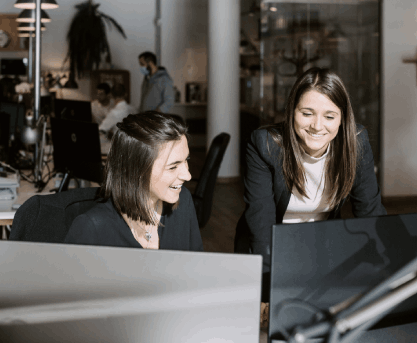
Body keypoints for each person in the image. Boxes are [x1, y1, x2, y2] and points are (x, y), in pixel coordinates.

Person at [234, 67, 386, 302]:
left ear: (342, 118)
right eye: (307, 113)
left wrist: (390, 268)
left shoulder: (356, 142)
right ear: (292, 111)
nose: (317, 126)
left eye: (329, 116)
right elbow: (261, 221)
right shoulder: (265, 144)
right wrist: (265, 292)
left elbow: (371, 212)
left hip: (321, 247)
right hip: (267, 249)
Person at [65, 111, 203, 251]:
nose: (188, 176)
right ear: (137, 170)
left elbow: (196, 268)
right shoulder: (91, 228)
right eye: (173, 167)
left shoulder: (183, 201)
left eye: (186, 160)